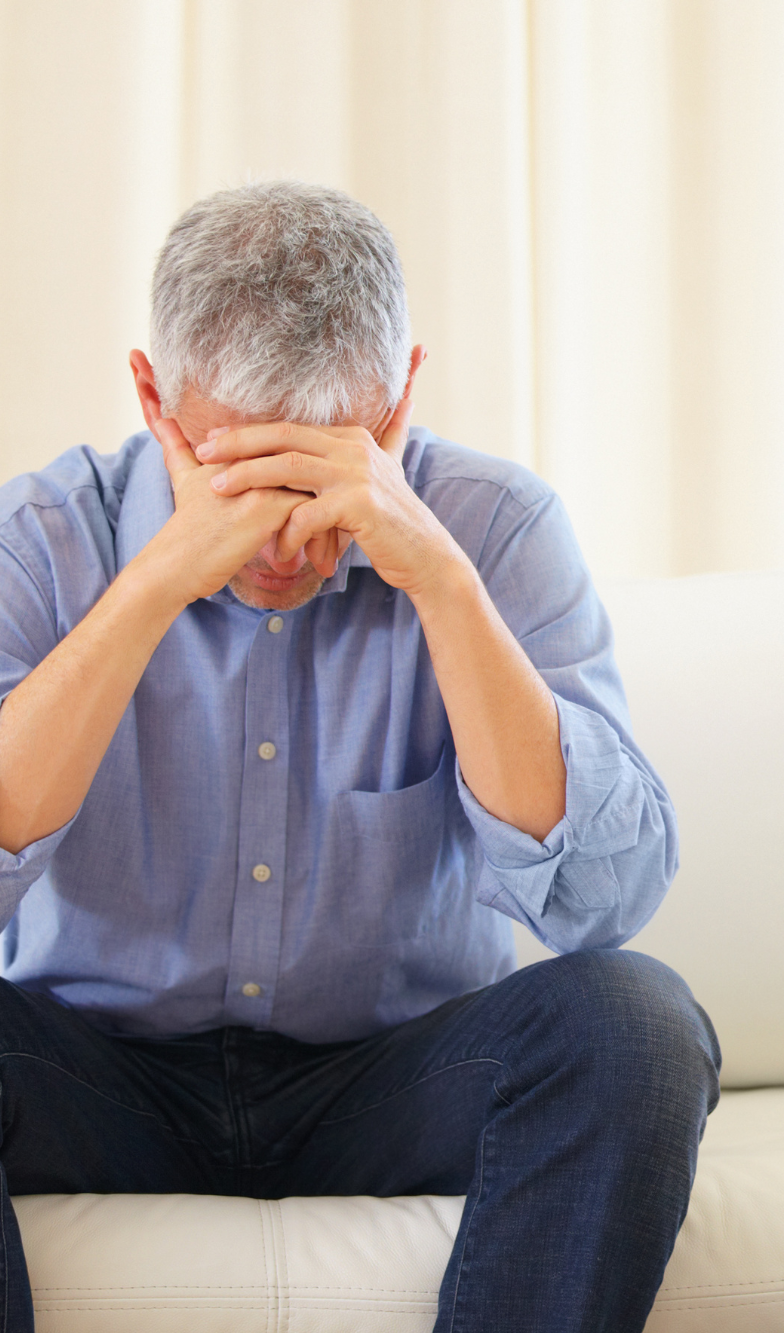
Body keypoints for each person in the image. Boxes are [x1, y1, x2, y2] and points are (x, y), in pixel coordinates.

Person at [0, 182, 719, 1331]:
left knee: (634, 1023)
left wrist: (438, 579)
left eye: (322, 475)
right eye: (240, 477)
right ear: (153, 399)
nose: (282, 540)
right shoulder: (39, 539)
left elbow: (604, 901)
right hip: (101, 1068)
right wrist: (154, 585)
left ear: (398, 404)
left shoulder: (495, 531)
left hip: (389, 1078)